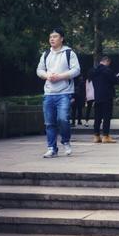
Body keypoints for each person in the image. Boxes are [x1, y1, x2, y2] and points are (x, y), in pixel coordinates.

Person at [36, 28, 81, 158]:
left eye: (55, 36)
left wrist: (60, 76)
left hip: (64, 93)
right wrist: (47, 75)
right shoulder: (45, 54)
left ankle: (66, 141)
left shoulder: (69, 53)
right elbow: (39, 70)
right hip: (49, 93)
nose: (52, 39)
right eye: (50, 37)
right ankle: (52, 148)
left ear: (61, 38)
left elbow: (76, 70)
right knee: (49, 123)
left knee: (63, 119)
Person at [91, 55, 119, 143]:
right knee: (106, 117)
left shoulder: (94, 71)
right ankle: (105, 136)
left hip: (97, 96)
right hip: (107, 96)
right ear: (107, 61)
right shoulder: (107, 70)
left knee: (97, 117)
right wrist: (118, 76)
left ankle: (96, 136)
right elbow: (114, 80)